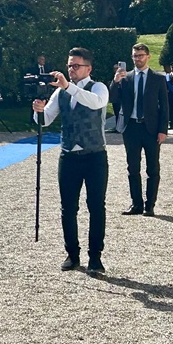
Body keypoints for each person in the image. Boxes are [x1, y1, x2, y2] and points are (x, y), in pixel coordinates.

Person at [32, 47, 110, 274]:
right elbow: (46, 120)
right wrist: (37, 110)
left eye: (76, 66)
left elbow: (95, 103)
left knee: (96, 206)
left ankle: (95, 256)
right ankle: (72, 253)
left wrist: (69, 86)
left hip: (94, 154)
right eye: (69, 66)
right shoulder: (61, 93)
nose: (71, 70)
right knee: (68, 207)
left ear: (88, 68)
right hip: (68, 154)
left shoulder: (99, 88)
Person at [109, 43, 169, 217]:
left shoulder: (158, 78)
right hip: (132, 128)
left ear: (148, 57)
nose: (138, 59)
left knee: (153, 169)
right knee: (132, 168)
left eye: (141, 55)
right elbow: (112, 98)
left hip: (151, 128)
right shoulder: (125, 78)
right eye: (135, 56)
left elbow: (164, 107)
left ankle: (150, 205)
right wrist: (115, 82)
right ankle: (136, 204)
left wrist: (163, 130)